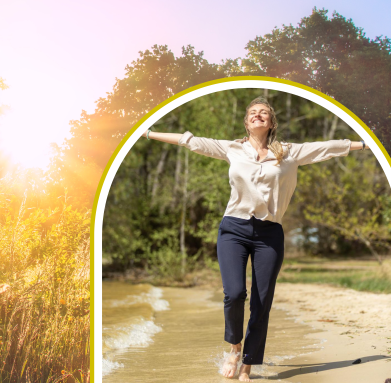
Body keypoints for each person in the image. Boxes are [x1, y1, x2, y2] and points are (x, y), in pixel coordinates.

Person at [145, 96, 368, 381]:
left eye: (264, 113)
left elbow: (329, 147)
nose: (258, 115)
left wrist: (365, 143)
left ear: (272, 122)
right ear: (246, 122)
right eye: (253, 112)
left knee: (262, 302)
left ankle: (248, 365)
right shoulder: (233, 148)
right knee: (235, 293)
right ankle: (234, 349)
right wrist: (148, 132)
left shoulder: (290, 152)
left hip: (269, 233)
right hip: (234, 229)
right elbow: (191, 140)